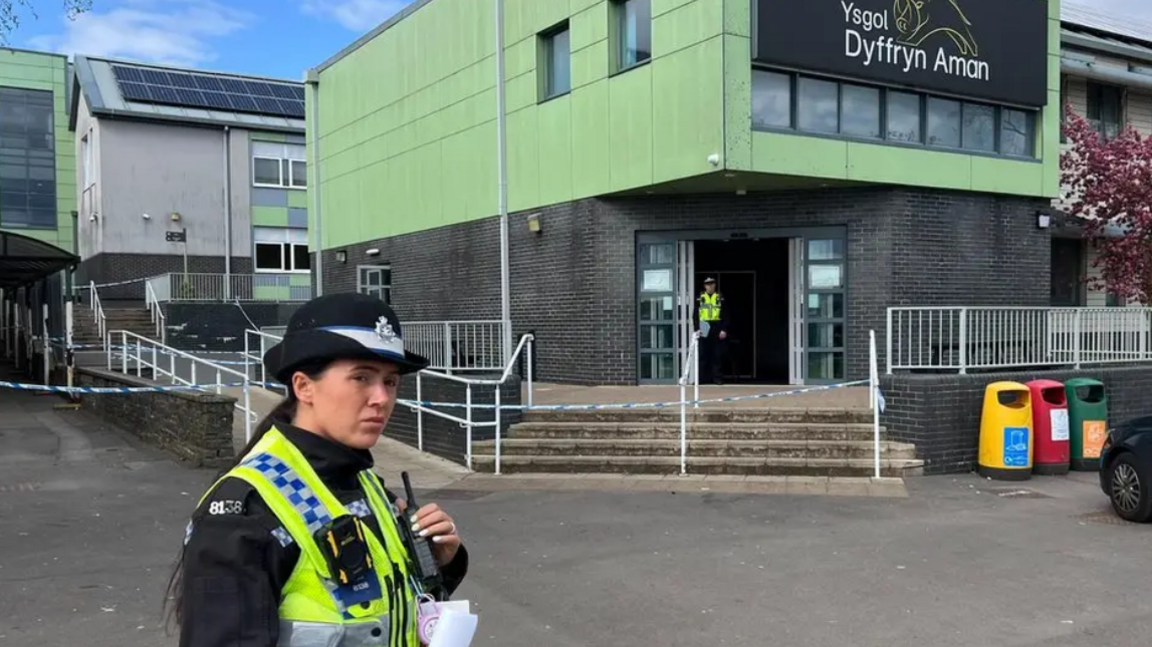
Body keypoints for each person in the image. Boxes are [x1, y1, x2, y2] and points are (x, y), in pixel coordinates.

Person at [166, 293, 470, 647]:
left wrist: (438, 563)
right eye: (361, 378)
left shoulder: (364, 482)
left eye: (390, 381)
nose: (382, 399)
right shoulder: (244, 510)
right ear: (303, 386)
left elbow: (386, 607)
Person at [696, 277, 726, 385]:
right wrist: (697, 329)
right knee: (703, 354)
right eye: (707, 284)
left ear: (715, 285)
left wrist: (724, 329)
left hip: (716, 326)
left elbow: (726, 314)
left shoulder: (720, 297)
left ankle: (717, 379)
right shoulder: (700, 297)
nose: (710, 285)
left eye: (712, 283)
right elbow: (695, 314)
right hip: (703, 326)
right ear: (704, 286)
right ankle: (701, 379)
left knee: (716, 355)